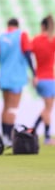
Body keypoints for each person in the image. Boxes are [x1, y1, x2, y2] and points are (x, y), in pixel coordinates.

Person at [0, 18, 35, 147]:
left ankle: (5, 136)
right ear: (17, 26)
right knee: (13, 108)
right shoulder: (21, 35)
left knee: (5, 107)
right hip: (16, 77)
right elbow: (28, 54)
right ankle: (10, 138)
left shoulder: (0, 38)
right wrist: (34, 73)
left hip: (4, 76)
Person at [31, 15, 55, 145]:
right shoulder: (52, 40)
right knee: (48, 108)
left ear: (42, 26)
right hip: (50, 77)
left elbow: (28, 56)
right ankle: (45, 136)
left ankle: (33, 129)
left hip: (40, 78)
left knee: (47, 108)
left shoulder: (35, 40)